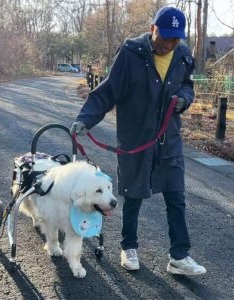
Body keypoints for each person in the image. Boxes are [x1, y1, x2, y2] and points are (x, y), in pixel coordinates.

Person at [70, 5, 206, 276]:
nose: (170, 43)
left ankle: (179, 256)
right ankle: (128, 246)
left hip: (169, 139)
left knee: (176, 197)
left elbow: (187, 86)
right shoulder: (132, 54)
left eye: (176, 38)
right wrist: (85, 119)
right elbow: (108, 91)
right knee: (133, 194)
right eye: (166, 37)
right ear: (153, 28)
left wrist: (184, 100)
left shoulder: (183, 55)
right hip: (136, 138)